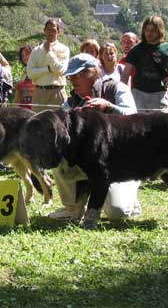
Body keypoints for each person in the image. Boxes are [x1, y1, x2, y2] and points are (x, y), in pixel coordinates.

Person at [49, 53, 141, 221]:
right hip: (88, 162)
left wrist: (109, 107)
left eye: (77, 75)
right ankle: (73, 207)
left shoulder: (117, 88)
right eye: (70, 77)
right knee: (56, 155)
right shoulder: (71, 101)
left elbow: (134, 119)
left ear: (93, 73)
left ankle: (131, 199)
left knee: (116, 213)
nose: (73, 81)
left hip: (121, 162)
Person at [120, 16, 168, 111]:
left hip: (160, 93)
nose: (149, 33)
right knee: (139, 125)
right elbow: (125, 75)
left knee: (160, 124)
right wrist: (121, 96)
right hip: (138, 94)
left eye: (153, 30)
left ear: (159, 31)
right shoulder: (136, 50)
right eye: (147, 30)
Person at [26, 18, 70, 112]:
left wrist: (49, 52)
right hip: (39, 92)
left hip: (57, 92)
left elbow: (59, 70)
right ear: (44, 31)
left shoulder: (64, 49)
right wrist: (47, 69)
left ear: (58, 31)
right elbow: (30, 73)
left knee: (59, 123)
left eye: (53, 30)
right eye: (48, 30)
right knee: (37, 123)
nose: (51, 33)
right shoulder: (36, 51)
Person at [15, 44, 35, 110]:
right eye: (23, 55)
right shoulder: (25, 72)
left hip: (35, 107)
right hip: (22, 108)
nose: (24, 57)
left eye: (27, 54)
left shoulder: (38, 70)